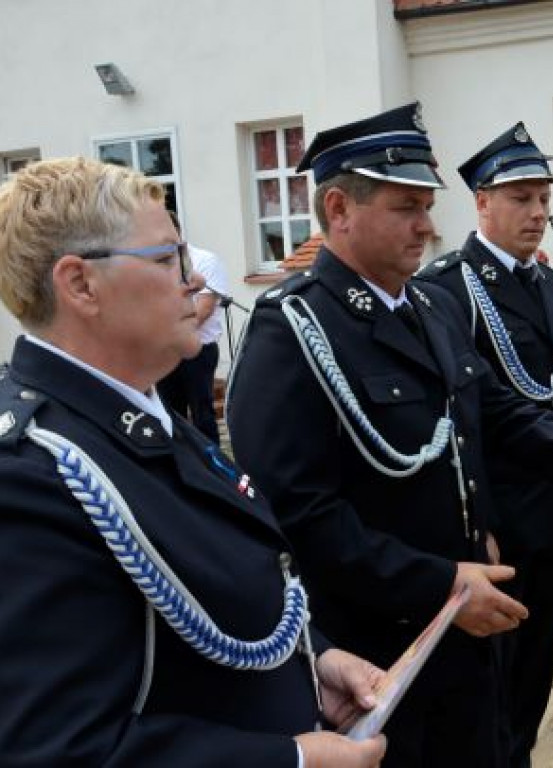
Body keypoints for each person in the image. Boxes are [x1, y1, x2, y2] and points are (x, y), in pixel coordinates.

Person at [225, 104, 553, 768]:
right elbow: (302, 515)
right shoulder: (293, 331)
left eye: (426, 205)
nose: (427, 226)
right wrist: (439, 584)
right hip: (376, 652)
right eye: (406, 207)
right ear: (338, 208)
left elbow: (495, 417)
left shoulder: (428, 308)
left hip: (466, 622)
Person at [0, 157, 386, 766]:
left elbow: (217, 603)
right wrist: (292, 761)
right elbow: (63, 749)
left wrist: (315, 661)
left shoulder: (141, 415)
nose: (195, 283)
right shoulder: (29, 475)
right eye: (165, 260)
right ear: (80, 285)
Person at [418, 121, 553, 768]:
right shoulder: (449, 286)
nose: (537, 213)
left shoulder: (547, 282)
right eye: (521, 198)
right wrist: (478, 525)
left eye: (543, 198)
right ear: (483, 203)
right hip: (499, 516)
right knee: (492, 673)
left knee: (538, 663)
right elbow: (456, 417)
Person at [156, 212, 228, 445]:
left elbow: (203, 310)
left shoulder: (204, 260)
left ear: (175, 231)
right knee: (168, 412)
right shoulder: (153, 265)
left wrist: (165, 332)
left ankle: (211, 467)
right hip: (166, 349)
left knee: (202, 413)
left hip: (198, 351)